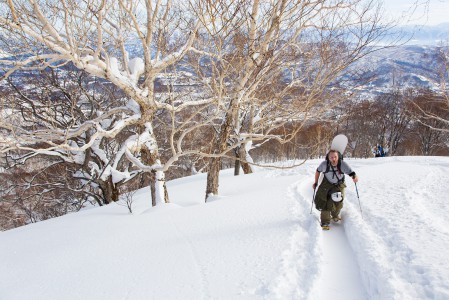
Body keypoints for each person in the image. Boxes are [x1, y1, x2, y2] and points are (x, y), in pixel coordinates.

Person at [312, 149, 358, 229]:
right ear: (328, 158)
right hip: (326, 184)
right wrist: (315, 182)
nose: (333, 159)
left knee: (338, 201)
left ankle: (335, 215)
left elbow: (351, 173)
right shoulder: (324, 164)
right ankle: (325, 222)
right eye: (331, 157)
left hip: (339, 185)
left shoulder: (342, 164)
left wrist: (354, 177)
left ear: (338, 157)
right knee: (324, 201)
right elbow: (318, 171)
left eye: (335, 157)